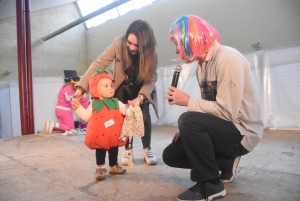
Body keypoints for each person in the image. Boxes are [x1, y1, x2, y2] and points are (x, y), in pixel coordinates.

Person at [163, 15, 264, 201]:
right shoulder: (201, 67)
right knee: (171, 155)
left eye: (177, 43)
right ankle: (226, 161)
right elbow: (208, 108)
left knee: (188, 119)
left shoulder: (227, 59)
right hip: (226, 128)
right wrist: (187, 131)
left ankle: (210, 185)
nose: (177, 49)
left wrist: (188, 103)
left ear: (190, 39)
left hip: (243, 131)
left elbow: (227, 112)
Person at [73, 19, 159, 165]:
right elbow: (99, 63)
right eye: (129, 42)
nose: (131, 47)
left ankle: (147, 148)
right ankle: (127, 149)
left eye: (136, 45)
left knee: (144, 114)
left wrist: (139, 99)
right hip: (121, 84)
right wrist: (81, 88)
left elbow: (150, 80)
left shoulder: (152, 52)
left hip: (141, 86)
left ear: (144, 45)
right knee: (121, 116)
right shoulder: (118, 42)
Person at [72, 69, 128, 180]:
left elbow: (126, 111)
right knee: (100, 151)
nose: (110, 88)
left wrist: (131, 108)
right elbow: (86, 116)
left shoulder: (117, 102)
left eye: (111, 85)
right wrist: (78, 108)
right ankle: (101, 168)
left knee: (114, 150)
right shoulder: (94, 104)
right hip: (99, 138)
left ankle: (113, 166)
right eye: (106, 86)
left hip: (114, 137)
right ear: (96, 90)